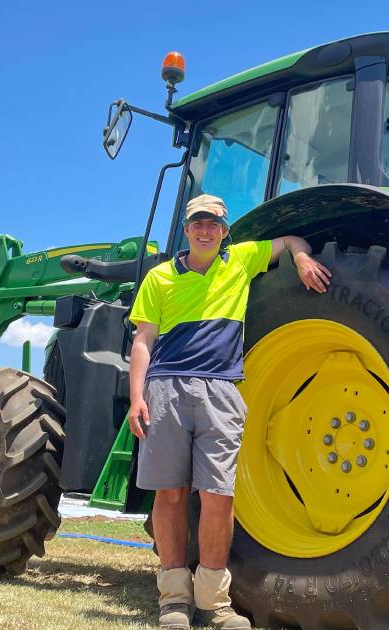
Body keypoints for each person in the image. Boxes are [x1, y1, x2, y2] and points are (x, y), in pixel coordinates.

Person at [127, 193, 331, 630]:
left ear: (224, 231)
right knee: (170, 494)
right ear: (187, 230)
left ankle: (215, 603)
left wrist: (300, 259)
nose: (205, 231)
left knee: (219, 497)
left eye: (214, 224)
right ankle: (174, 600)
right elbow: (143, 340)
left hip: (221, 391)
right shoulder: (160, 278)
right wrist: (137, 397)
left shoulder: (239, 260)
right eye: (198, 223)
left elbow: (291, 238)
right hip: (166, 387)